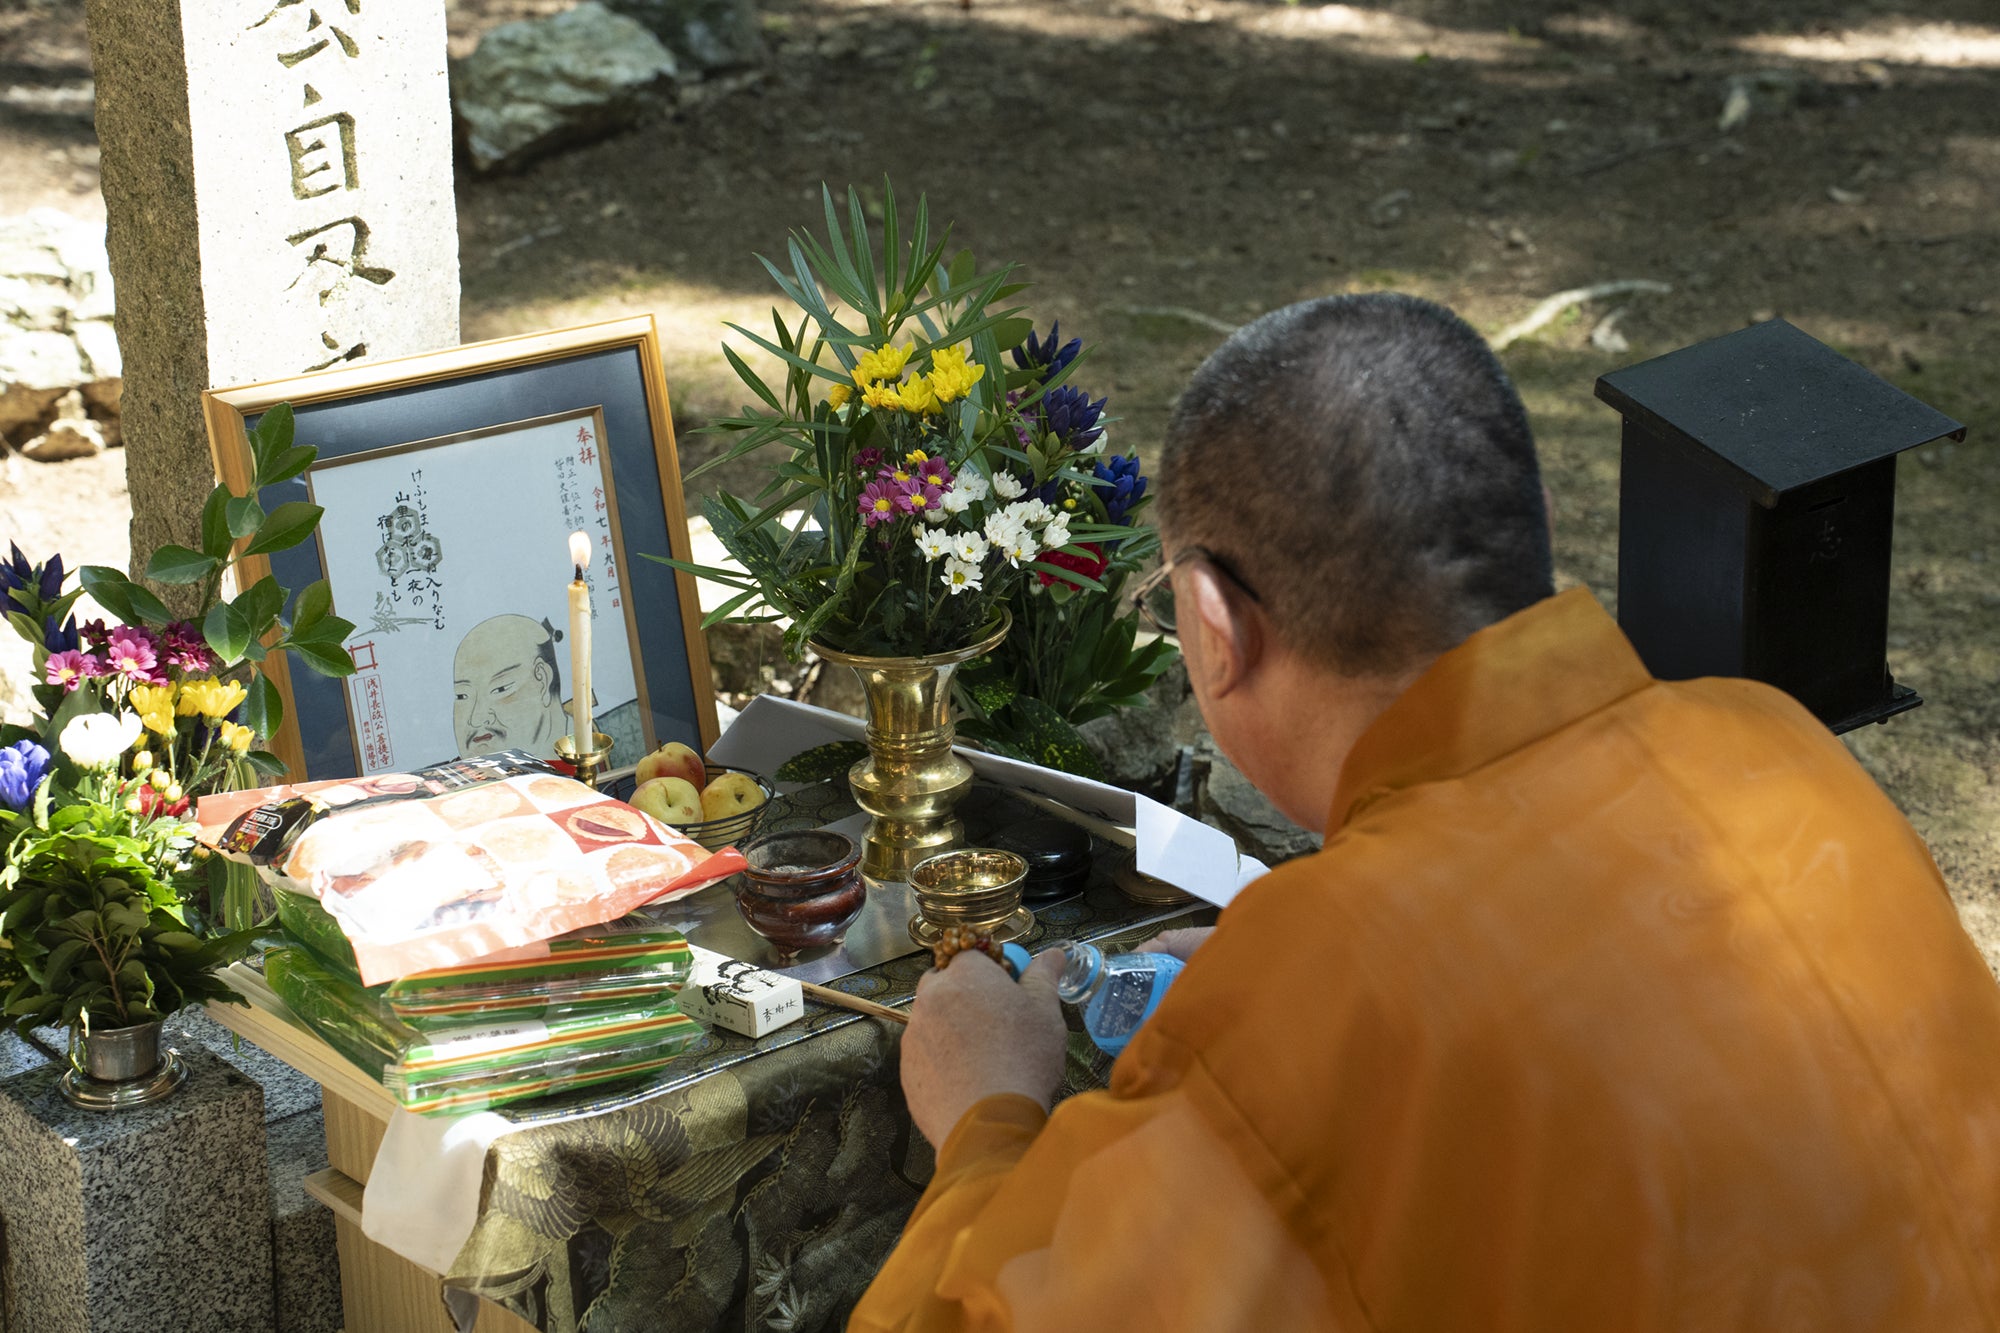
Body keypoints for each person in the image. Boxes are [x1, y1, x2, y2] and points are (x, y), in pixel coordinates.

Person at [850, 293, 2000, 1330]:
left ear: (1211, 623)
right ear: (1530, 517)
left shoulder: (1328, 985)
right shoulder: (1771, 742)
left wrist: (985, 1113)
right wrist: (1278, 995)